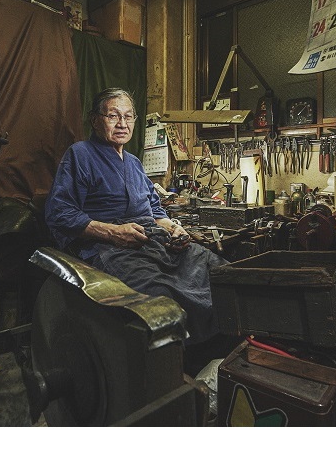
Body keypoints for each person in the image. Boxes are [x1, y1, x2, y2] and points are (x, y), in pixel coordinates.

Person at [45, 87, 228, 347]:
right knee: (162, 298)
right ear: (95, 120)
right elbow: (60, 212)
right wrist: (113, 233)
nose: (122, 124)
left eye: (128, 116)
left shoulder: (133, 162)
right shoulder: (80, 154)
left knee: (219, 272)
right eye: (113, 116)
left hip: (154, 243)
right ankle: (182, 360)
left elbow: (154, 209)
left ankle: (223, 350)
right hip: (112, 249)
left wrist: (171, 226)